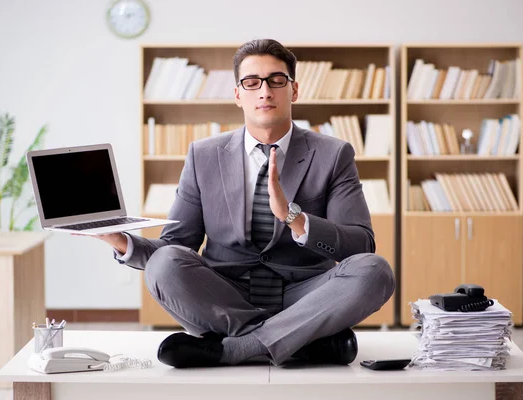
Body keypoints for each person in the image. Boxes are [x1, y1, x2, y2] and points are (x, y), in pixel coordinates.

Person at [96, 38, 395, 368]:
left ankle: (233, 350)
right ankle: (298, 342)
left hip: (305, 298)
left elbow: (360, 245)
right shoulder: (204, 155)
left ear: (294, 90)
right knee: (164, 264)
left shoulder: (333, 154)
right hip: (226, 298)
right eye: (252, 83)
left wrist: (294, 217)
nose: (264, 92)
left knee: (375, 271)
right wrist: (123, 242)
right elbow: (176, 247)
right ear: (238, 94)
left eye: (276, 81)